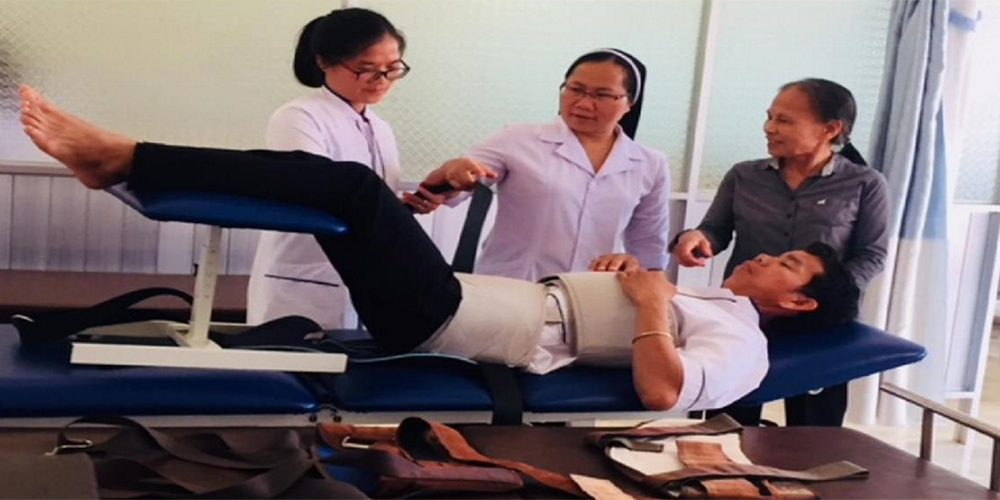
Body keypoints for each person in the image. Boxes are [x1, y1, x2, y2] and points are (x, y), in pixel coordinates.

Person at [18, 85, 860, 412]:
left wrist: (645, 305)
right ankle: (130, 163)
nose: (765, 257)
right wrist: (624, 281)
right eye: (577, 89)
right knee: (337, 194)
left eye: (787, 266)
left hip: (456, 315)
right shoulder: (708, 298)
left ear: (797, 305)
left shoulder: (744, 345)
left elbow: (665, 391)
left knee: (346, 189)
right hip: (481, 298)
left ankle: (124, 159)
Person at [671, 78, 890, 426]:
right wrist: (695, 239)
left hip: (818, 323)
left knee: (815, 431)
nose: (769, 128)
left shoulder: (865, 184)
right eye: (770, 117)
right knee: (727, 420)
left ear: (830, 129)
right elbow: (714, 231)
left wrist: (820, 291)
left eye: (784, 121)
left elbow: (872, 255)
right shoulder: (744, 175)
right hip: (745, 315)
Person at [405, 49, 670, 281]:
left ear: (629, 103)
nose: (584, 103)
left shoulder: (650, 163)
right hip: (513, 288)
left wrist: (645, 284)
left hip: (594, 296)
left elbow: (649, 247)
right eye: (575, 89)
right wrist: (454, 174)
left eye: (602, 95)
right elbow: (461, 178)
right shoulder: (517, 139)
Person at [248, 8, 410, 330]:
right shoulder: (299, 117)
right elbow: (317, 193)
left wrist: (408, 203)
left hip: (363, 282)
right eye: (367, 70)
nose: (382, 81)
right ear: (324, 62)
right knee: (292, 372)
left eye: (392, 69)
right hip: (304, 281)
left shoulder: (380, 128)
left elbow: (373, 198)